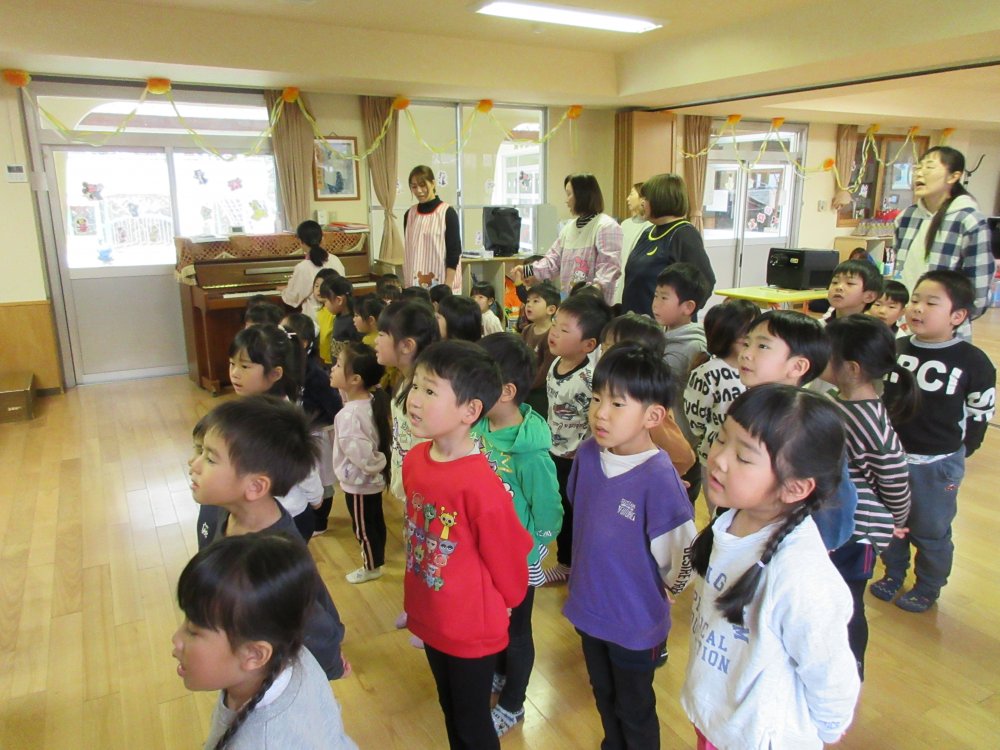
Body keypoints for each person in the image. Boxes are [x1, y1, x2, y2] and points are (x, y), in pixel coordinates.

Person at [681, 385, 861, 750]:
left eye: (744, 457)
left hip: (759, 736)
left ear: (794, 488)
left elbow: (832, 675)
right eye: (721, 439)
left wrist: (828, 729)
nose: (719, 459)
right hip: (718, 719)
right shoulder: (732, 519)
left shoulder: (800, 575)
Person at [402, 340, 533, 750]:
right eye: (415, 385)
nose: (414, 399)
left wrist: (509, 600)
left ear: (470, 410)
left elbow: (509, 558)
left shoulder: (480, 485)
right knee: (450, 709)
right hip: (430, 611)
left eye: (430, 390)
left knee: (473, 723)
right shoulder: (415, 460)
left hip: (471, 626)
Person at [565, 342, 695, 749]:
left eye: (617, 404)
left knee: (634, 707)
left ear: (652, 416)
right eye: (596, 398)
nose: (600, 413)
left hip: (635, 621)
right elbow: (583, 513)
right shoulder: (588, 454)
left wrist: (671, 589)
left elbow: (683, 555)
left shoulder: (659, 478)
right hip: (589, 608)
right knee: (604, 695)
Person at [188, 395, 348, 680]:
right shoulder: (219, 508)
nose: (194, 464)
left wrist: (333, 667)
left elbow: (315, 627)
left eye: (210, 458)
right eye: (199, 451)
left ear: (255, 486)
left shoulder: (274, 561)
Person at [874, 270, 996, 612]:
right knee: (891, 523)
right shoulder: (896, 349)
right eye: (915, 300)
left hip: (937, 464)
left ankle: (928, 586)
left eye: (931, 303)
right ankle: (893, 573)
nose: (917, 308)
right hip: (892, 457)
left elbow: (980, 411)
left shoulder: (972, 361)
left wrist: (965, 449)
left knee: (930, 530)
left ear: (957, 316)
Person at [174, 533, 357, 750]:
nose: (176, 640)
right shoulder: (294, 652)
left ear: (254, 655)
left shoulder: (261, 743)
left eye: (193, 632)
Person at [472, 333, 563, 737]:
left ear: (507, 391)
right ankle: (498, 671)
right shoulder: (478, 426)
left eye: (477, 383)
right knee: (493, 621)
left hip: (517, 559)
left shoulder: (531, 453)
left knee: (517, 630)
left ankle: (514, 703)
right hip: (483, 551)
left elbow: (549, 511)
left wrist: (535, 550)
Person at [825, 314, 914, 678]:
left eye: (826, 353)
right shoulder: (838, 403)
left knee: (848, 604)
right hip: (836, 524)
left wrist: (898, 519)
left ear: (852, 368)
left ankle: (850, 672)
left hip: (857, 532)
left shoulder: (868, 421)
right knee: (828, 598)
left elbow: (894, 480)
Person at [738, 310, 857, 552]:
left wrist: (816, 549)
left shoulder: (810, 425)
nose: (746, 354)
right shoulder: (749, 407)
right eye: (747, 343)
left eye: (762, 346)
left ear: (798, 366)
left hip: (790, 547)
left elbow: (834, 500)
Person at [543, 293, 613, 584]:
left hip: (575, 459)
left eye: (564, 329)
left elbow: (594, 420)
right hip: (553, 451)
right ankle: (569, 559)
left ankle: (569, 564)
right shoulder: (555, 364)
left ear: (588, 345)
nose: (554, 332)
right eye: (554, 324)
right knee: (558, 506)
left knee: (572, 512)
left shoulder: (587, 380)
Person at [226, 325, 320, 541]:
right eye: (232, 363)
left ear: (276, 373)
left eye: (245, 366)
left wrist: (315, 497)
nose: (234, 373)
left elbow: (305, 466)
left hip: (287, 515)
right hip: (258, 511)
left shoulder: (282, 417)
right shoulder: (248, 409)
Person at [893, 147, 994, 340]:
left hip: (947, 331)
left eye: (929, 167)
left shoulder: (968, 220)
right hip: (905, 324)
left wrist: (953, 320)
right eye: (918, 168)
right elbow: (900, 272)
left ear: (954, 176)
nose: (919, 173)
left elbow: (979, 288)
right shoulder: (906, 217)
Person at [601, 312, 696, 478]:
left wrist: (659, 479)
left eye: (610, 348)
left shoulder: (646, 403)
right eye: (603, 347)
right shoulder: (608, 387)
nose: (603, 355)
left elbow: (682, 458)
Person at [683, 299, 758, 507]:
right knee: (719, 511)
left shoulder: (758, 368)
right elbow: (696, 419)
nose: (751, 337)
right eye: (746, 330)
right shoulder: (709, 372)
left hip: (749, 456)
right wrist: (715, 436)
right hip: (715, 455)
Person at [330, 342, 391, 584]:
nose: (332, 369)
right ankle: (377, 558)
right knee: (375, 522)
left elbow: (361, 453)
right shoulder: (370, 401)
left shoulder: (348, 415)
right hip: (370, 480)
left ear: (355, 379)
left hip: (359, 482)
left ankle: (371, 567)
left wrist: (378, 463)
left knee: (363, 528)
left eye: (337, 365)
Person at [512, 174, 622, 304]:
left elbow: (609, 267)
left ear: (582, 195)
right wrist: (528, 270)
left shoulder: (606, 226)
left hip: (593, 305)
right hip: (569, 302)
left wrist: (594, 290)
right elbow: (553, 260)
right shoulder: (568, 228)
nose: (566, 200)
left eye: (569, 194)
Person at [652, 262, 712, 500]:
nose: (656, 303)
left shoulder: (695, 346)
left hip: (683, 442)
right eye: (656, 295)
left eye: (664, 297)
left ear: (688, 307)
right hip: (659, 436)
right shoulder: (659, 334)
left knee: (679, 502)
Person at [621, 173, 715, 317]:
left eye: (646, 199)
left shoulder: (684, 234)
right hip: (636, 320)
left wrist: (679, 317)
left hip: (662, 326)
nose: (642, 203)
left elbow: (705, 282)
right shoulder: (648, 232)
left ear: (661, 200)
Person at [403, 165, 462, 291]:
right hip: (415, 284)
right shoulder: (409, 214)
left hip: (442, 283)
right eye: (414, 187)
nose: (419, 190)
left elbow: (454, 252)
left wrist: (448, 286)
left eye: (423, 185)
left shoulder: (447, 212)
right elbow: (409, 251)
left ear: (433, 183)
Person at [281, 220, 346, 311]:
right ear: (322, 238)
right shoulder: (335, 259)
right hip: (336, 312)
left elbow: (293, 298)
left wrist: (285, 291)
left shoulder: (303, 267)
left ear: (301, 241)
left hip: (315, 317)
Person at [520, 281, 560, 417]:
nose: (529, 305)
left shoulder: (552, 335)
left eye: (536, 301)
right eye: (528, 301)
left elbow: (545, 371)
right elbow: (520, 358)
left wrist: (526, 385)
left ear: (551, 310)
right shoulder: (526, 330)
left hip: (541, 392)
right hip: (524, 385)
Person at [613, 182, 652, 307]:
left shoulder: (651, 227)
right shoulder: (625, 224)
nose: (627, 199)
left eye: (631, 194)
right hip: (620, 280)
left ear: (642, 198)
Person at [318, 275, 361, 363]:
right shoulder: (337, 317)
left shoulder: (353, 322)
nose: (325, 305)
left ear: (339, 300)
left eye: (326, 301)